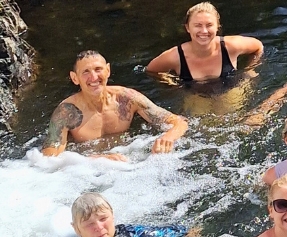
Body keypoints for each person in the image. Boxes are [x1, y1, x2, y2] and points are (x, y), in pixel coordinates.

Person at [43, 50, 188, 159]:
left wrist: (168, 137)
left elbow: (178, 122)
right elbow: (49, 159)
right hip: (86, 171)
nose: (94, 77)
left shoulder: (127, 98)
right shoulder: (66, 112)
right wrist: (98, 160)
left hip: (128, 162)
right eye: (86, 72)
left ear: (108, 70)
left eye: (98, 69)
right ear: (75, 78)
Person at [145, 2, 263, 86]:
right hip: (196, 95)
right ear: (187, 28)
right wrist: (171, 84)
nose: (204, 31)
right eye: (198, 25)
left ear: (217, 27)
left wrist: (250, 70)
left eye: (209, 25)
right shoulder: (175, 56)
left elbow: (258, 47)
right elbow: (151, 71)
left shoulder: (231, 46)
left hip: (230, 90)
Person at [70, 192, 189, 237]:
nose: (99, 227)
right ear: (76, 229)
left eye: (103, 219)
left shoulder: (133, 234)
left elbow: (184, 231)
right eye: (90, 224)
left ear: (112, 216)